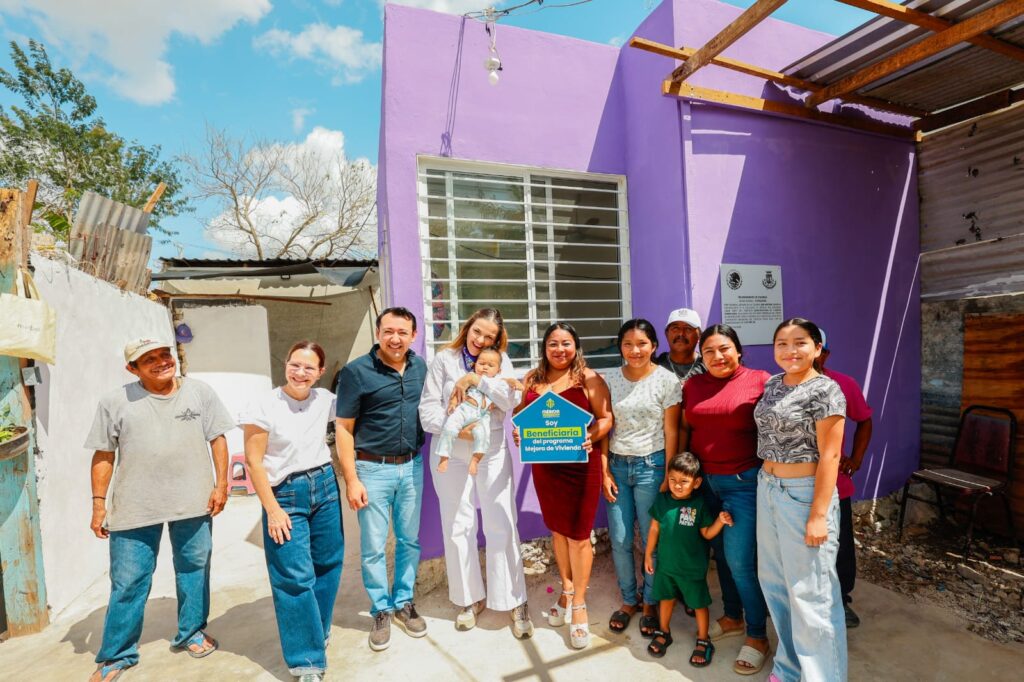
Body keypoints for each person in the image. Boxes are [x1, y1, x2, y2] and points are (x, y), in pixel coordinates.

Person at [86, 338, 234, 682]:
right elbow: (103, 454)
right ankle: (117, 654)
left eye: (164, 354)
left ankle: (192, 632)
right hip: (135, 506)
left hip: (194, 501)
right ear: (132, 369)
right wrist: (97, 504)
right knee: (128, 581)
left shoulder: (199, 392)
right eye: (148, 360)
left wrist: (221, 484)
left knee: (194, 568)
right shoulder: (114, 401)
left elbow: (218, 438)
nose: (161, 362)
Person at [419, 308, 534, 638]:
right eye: (477, 332)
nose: (481, 340)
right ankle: (469, 599)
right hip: (452, 446)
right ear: (467, 327)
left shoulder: (501, 359)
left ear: (498, 340)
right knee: (457, 523)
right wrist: (458, 429)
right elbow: (427, 410)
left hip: (493, 447)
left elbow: (512, 399)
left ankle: (513, 599)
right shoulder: (444, 359)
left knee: (501, 519)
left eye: (489, 336)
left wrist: (477, 379)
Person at [242, 341, 342, 682]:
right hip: (284, 493)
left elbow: (356, 414)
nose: (300, 373)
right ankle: (307, 662)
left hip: (326, 485)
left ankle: (318, 631)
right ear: (285, 364)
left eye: (309, 367)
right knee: (293, 577)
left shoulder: (326, 400)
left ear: (321, 372)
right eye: (294, 364)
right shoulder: (264, 404)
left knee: (328, 564)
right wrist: (271, 509)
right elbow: (254, 462)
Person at [754, 318, 847, 682]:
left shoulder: (827, 391)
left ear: (817, 348)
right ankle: (790, 669)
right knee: (776, 584)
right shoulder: (774, 384)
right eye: (782, 343)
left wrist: (818, 514)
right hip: (769, 488)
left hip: (804, 495)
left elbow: (831, 456)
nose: (790, 351)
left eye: (800, 342)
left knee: (812, 594)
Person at [514, 322, 613, 649]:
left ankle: (580, 605)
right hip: (547, 469)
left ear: (576, 346)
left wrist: (591, 436)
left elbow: (605, 419)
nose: (560, 350)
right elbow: (520, 414)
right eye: (553, 343)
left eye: (566, 343)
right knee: (558, 531)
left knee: (580, 536)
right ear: (544, 347)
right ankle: (567, 591)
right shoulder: (533, 379)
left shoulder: (589, 379)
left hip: (580, 469)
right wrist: (519, 432)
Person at [335, 307, 428, 652]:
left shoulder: (420, 367)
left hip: (413, 466)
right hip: (372, 470)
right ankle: (381, 609)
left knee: (409, 540)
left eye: (402, 332)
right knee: (373, 547)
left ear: (413, 335)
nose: (395, 338)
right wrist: (351, 479)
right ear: (378, 333)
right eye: (389, 331)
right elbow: (343, 429)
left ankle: (404, 601)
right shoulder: (356, 372)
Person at [681, 324, 772, 675]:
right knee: (720, 555)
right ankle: (732, 616)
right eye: (709, 352)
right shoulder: (694, 385)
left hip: (742, 483)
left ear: (738, 350)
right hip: (705, 485)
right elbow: (689, 429)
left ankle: (758, 635)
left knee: (740, 561)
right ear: (700, 357)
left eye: (724, 349)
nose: (717, 357)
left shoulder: (761, 380)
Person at [603, 319, 681, 639]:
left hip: (653, 465)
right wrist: (604, 470)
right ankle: (628, 599)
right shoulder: (609, 380)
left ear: (653, 346)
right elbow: (604, 427)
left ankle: (650, 601)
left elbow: (672, 430)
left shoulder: (667, 380)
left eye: (642, 344)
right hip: (618, 467)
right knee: (620, 538)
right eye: (628, 344)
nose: (635, 351)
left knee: (653, 539)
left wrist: (667, 474)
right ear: (620, 347)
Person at [644, 452, 732, 667]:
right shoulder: (662, 500)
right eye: (673, 480)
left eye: (684, 481)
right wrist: (648, 554)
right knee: (666, 598)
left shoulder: (699, 505)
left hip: (692, 569)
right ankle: (663, 632)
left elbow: (707, 534)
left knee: (698, 604)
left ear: (696, 482)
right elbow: (654, 528)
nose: (677, 485)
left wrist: (720, 521)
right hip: (666, 566)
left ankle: (703, 639)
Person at [817, 329, 873, 629]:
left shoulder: (842, 384)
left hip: (835, 487)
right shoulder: (779, 386)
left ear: (825, 352)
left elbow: (864, 420)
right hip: (792, 487)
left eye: (816, 347)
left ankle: (840, 600)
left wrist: (857, 457)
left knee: (839, 548)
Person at [434, 347, 501, 476]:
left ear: (498, 370)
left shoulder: (497, 383)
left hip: (483, 415)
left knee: (484, 435)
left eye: (490, 365)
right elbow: (457, 391)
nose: (485, 367)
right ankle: (444, 457)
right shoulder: (469, 378)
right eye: (481, 364)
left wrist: (514, 382)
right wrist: (453, 403)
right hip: (464, 410)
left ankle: (475, 460)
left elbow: (505, 391)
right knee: (449, 427)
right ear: (475, 365)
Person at [655, 308, 707, 383]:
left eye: (688, 329)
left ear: (699, 335)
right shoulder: (655, 366)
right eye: (675, 328)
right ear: (666, 334)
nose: (681, 334)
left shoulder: (708, 367)